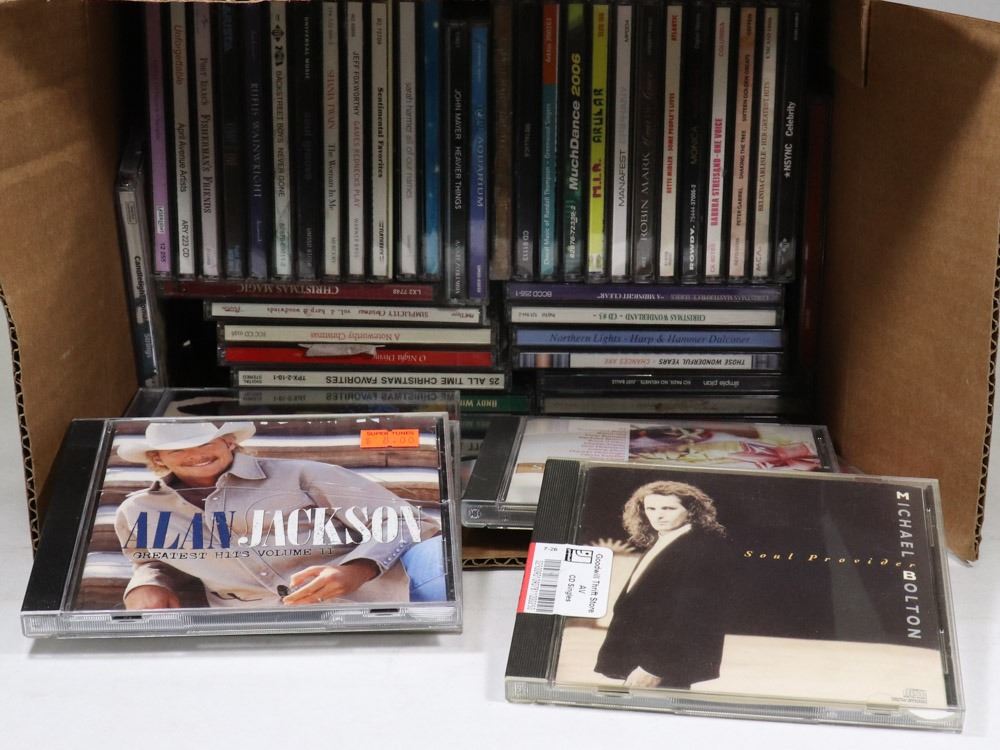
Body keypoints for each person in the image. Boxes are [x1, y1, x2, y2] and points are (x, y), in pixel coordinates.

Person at [113, 421, 443, 610]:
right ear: (158, 457)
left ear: (228, 441)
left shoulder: (301, 474)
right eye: (178, 449)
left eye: (206, 442)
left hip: (375, 596)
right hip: (253, 622)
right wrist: (147, 584)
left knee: (442, 556)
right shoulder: (138, 510)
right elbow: (151, 560)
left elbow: (405, 520)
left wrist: (356, 570)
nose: (195, 454)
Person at [594, 480, 732, 690]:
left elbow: (691, 616)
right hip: (644, 660)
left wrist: (654, 668)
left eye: (668, 508)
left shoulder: (700, 549)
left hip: (659, 665)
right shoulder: (666, 540)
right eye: (651, 509)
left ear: (691, 511)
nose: (658, 515)